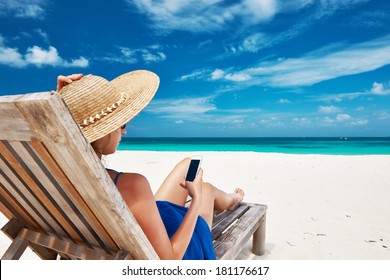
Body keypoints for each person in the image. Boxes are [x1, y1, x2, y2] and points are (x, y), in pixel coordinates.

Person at [57, 70, 245, 260]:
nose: (124, 132)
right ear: (103, 132)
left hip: (132, 236)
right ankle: (230, 200)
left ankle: (228, 199)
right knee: (204, 189)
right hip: (170, 254)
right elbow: (169, 260)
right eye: (122, 123)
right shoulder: (131, 185)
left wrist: (61, 105)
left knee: (189, 165)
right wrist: (195, 199)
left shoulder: (50, 179)